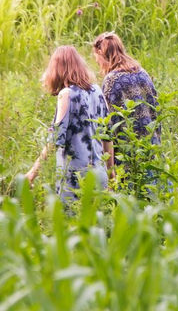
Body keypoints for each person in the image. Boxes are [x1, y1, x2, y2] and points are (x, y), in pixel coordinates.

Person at [26, 45, 112, 205]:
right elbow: (108, 136)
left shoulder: (67, 94)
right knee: (97, 226)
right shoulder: (97, 91)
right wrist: (111, 174)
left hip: (76, 178)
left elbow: (55, 139)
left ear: (57, 69)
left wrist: (32, 173)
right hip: (99, 175)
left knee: (70, 226)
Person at [91, 32, 161, 184]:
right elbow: (156, 110)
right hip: (150, 147)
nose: (98, 65)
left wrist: (109, 168)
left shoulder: (111, 80)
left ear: (102, 54)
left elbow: (107, 125)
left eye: (98, 60)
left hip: (127, 155)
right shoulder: (143, 73)